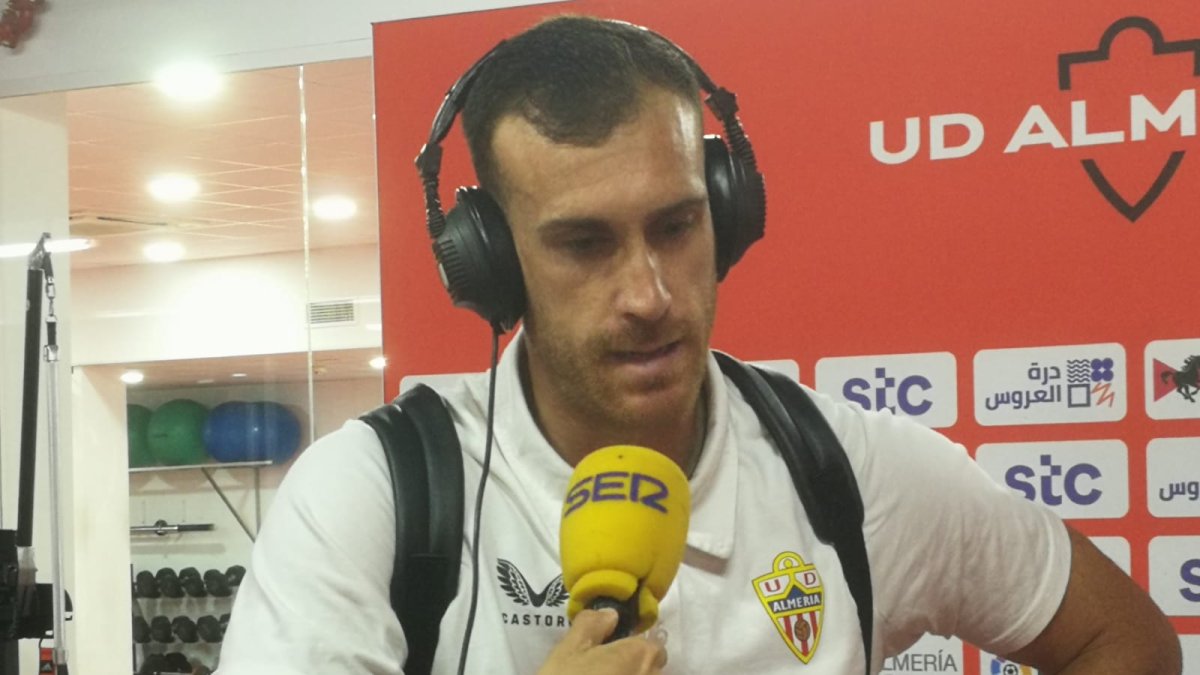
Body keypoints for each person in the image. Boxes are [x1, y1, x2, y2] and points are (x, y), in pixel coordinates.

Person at [216, 15, 1181, 675]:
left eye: (677, 225)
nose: (648, 293)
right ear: (493, 265)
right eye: (584, 243)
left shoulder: (846, 469)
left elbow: (1125, 639)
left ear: (728, 208)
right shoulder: (374, 495)